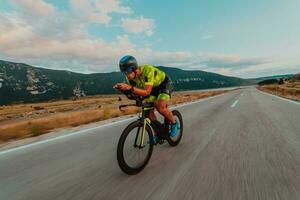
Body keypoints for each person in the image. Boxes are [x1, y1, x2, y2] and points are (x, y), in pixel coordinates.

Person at [113, 55, 179, 142]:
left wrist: (129, 88)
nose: (126, 75)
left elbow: (146, 92)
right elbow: (133, 93)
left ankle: (174, 122)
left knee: (160, 107)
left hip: (164, 84)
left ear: (134, 68)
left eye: (127, 71)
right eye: (124, 72)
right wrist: (123, 90)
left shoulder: (148, 70)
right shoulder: (130, 78)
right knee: (148, 111)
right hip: (152, 88)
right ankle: (158, 132)